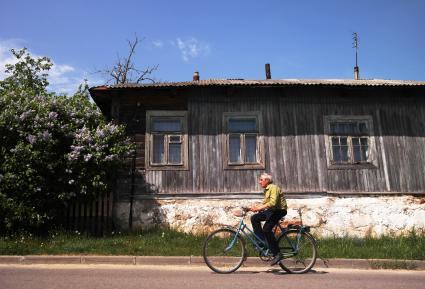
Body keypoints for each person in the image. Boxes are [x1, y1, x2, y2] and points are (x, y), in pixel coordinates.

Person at [249, 173, 287, 266]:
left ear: (267, 180)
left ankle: (277, 254)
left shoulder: (273, 188)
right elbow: (265, 203)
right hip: (272, 211)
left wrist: (259, 208)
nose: (259, 182)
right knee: (254, 218)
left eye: (261, 180)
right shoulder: (266, 190)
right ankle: (262, 243)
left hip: (279, 211)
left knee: (266, 229)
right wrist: (253, 208)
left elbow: (273, 203)